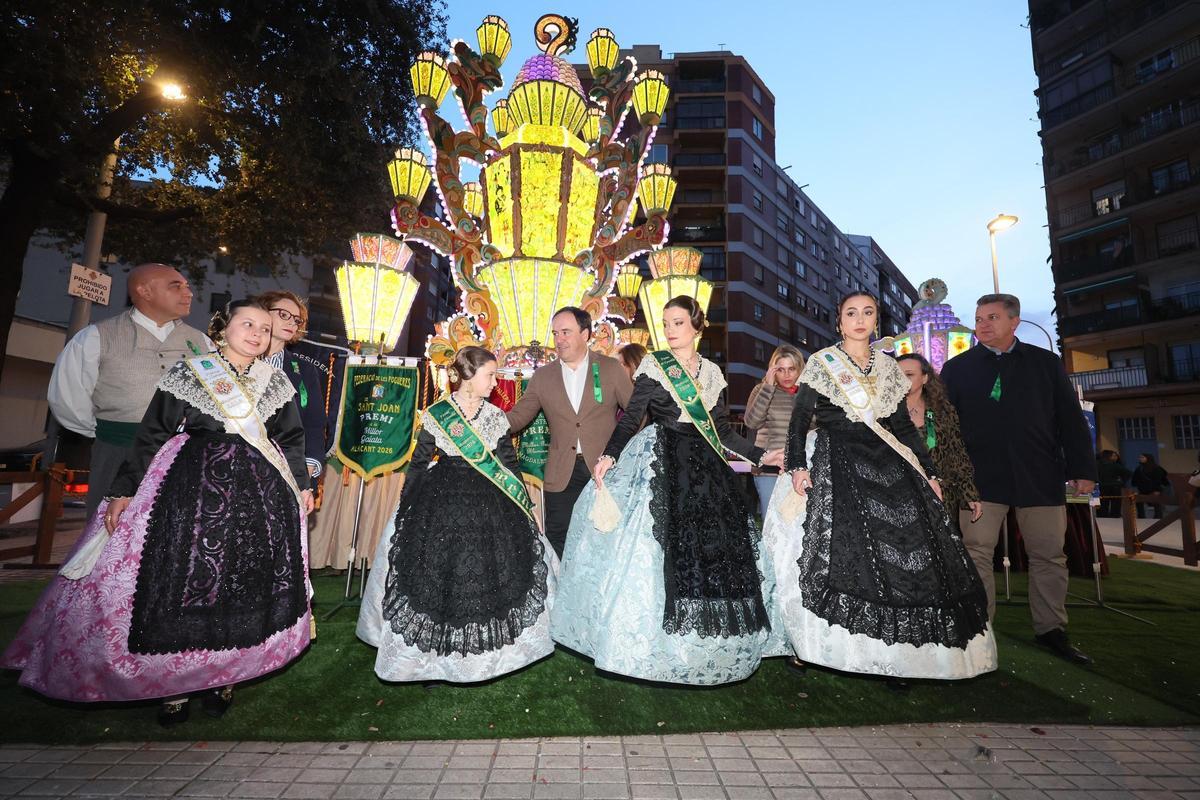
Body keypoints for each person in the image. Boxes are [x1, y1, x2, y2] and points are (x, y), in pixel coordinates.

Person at [3, 299, 314, 725]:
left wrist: (301, 484)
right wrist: (124, 489)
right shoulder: (192, 372)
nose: (257, 333)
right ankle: (175, 686)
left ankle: (224, 676)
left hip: (257, 496)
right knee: (180, 574)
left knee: (239, 580)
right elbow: (152, 433)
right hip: (191, 489)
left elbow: (291, 439)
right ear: (223, 328)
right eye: (247, 324)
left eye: (264, 328)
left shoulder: (274, 382)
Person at [550, 296, 789, 685]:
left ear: (696, 326)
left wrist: (763, 455)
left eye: (677, 322)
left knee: (709, 553)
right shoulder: (655, 365)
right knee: (656, 551)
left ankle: (705, 646)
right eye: (665, 323)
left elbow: (723, 433)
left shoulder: (712, 373)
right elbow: (631, 418)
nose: (670, 330)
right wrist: (610, 455)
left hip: (706, 468)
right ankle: (656, 644)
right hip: (662, 459)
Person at [763, 292, 995, 684]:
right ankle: (816, 645)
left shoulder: (888, 367)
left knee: (905, 550)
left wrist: (930, 472)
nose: (859, 319)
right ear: (840, 321)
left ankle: (902, 656)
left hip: (886, 460)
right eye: (851, 313)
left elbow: (901, 425)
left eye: (867, 313)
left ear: (876, 321)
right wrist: (798, 466)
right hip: (835, 458)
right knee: (841, 547)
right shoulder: (821, 362)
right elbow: (800, 419)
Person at [356, 346, 557, 682]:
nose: (495, 383)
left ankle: (490, 658)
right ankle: (432, 657)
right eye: (490, 375)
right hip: (441, 502)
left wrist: (524, 505)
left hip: (490, 503)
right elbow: (419, 463)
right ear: (468, 375)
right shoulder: (438, 414)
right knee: (435, 578)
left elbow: (508, 464)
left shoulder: (495, 416)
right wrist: (406, 506)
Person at [940, 293, 1096, 665]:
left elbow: (1070, 419)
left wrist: (1082, 470)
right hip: (978, 481)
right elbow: (944, 428)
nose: (982, 325)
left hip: (1039, 474)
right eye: (979, 318)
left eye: (992, 317)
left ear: (1015, 321)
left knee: (1049, 555)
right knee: (976, 553)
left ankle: (1051, 629)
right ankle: (978, 629)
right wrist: (950, 475)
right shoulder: (957, 369)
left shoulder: (1046, 363)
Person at [48, 263, 211, 516]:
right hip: (117, 452)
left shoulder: (203, 343)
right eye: (176, 286)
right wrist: (112, 434)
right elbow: (68, 399)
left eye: (187, 286)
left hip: (185, 454)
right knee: (111, 528)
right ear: (144, 291)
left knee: (178, 525)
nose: (188, 293)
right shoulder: (96, 337)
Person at [506, 307, 634, 557]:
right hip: (560, 475)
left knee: (605, 545)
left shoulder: (610, 368)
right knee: (559, 543)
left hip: (605, 474)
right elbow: (518, 417)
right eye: (555, 333)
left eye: (566, 332)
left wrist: (627, 455)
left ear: (585, 334)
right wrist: (480, 419)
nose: (559, 339)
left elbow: (636, 416)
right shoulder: (543, 376)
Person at [896, 353, 983, 535]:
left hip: (942, 497)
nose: (902, 379)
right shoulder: (884, 414)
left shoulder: (942, 411)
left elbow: (957, 452)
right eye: (897, 374)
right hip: (901, 497)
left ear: (925, 378)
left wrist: (969, 493)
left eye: (909, 374)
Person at [255, 290, 331, 480]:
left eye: (297, 320)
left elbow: (314, 424)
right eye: (284, 315)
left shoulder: (305, 369)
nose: (291, 323)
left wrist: (308, 469)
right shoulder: (241, 360)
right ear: (262, 312)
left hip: (287, 467)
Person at [745, 344, 806, 517]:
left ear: (800, 369)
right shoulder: (761, 390)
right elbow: (752, 422)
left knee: (799, 525)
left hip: (801, 468)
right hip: (769, 470)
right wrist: (768, 387)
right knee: (772, 522)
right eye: (781, 369)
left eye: (791, 369)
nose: (786, 375)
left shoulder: (807, 394)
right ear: (773, 370)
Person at [1131, 453, 1169, 519]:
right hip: (1142, 490)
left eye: (1142, 457)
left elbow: (1159, 480)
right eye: (1140, 457)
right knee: (1139, 503)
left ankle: (1158, 518)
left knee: (1156, 504)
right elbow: (1134, 480)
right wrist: (1136, 489)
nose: (1140, 459)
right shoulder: (1139, 468)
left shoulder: (1156, 468)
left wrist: (1157, 490)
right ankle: (1141, 517)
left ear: (1148, 458)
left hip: (1154, 490)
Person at [1096, 450, 1131, 518]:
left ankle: (1103, 517)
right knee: (1115, 504)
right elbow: (1128, 473)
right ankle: (1115, 516)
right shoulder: (1114, 465)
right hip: (1115, 487)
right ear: (1109, 456)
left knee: (1103, 504)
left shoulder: (1097, 464)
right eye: (1113, 456)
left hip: (1102, 487)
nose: (1115, 457)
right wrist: (1122, 481)